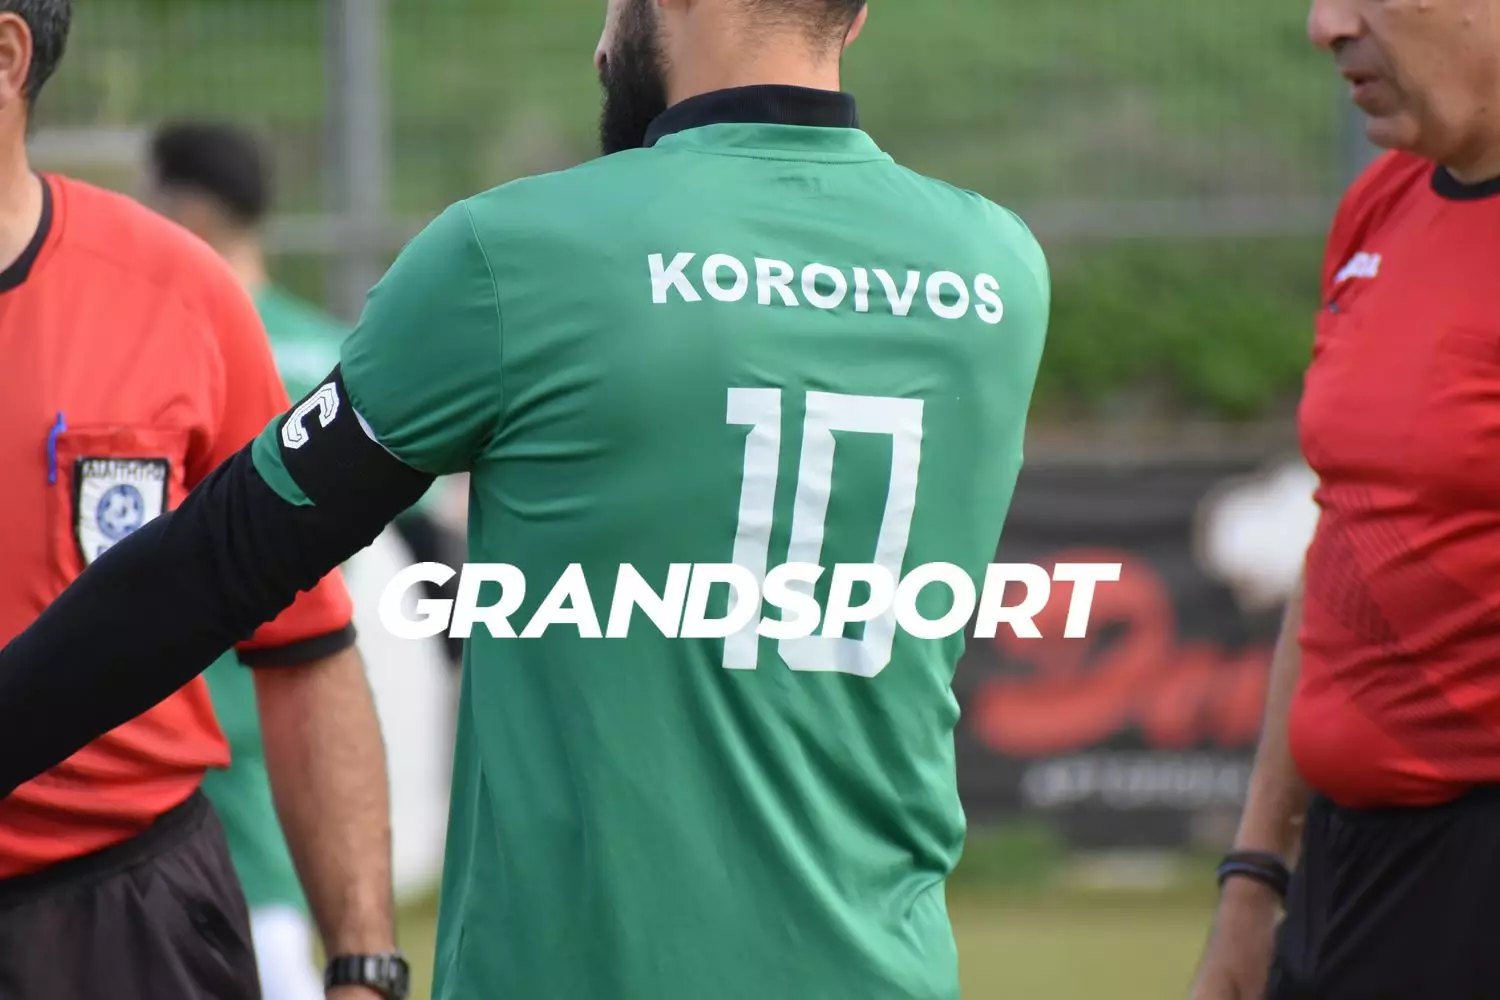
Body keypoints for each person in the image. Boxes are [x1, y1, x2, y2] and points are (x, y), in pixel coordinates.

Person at [0, 1, 1050, 998]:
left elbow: (224, 557)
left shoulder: (520, 253)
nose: (601, 46)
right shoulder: (998, 269)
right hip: (884, 969)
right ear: (854, 15)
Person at [0, 4, 402, 1000]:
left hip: (123, 914)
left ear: (5, 56)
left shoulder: (177, 293)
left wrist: (363, 964)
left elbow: (305, 647)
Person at [1191, 1, 1500, 998]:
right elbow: (1345, 537)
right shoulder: (1382, 201)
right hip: (1344, 875)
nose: (1324, 25)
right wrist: (1255, 878)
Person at [140, 122, 425, 1000]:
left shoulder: (174, 339)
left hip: (199, 682)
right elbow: (423, 516)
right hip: (321, 666)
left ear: (189, 208)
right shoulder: (339, 345)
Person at [145, 121, 469, 672]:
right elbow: (425, 530)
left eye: (149, 201)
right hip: (308, 675)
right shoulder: (339, 350)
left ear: (191, 213)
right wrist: (464, 666)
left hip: (172, 677)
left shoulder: (157, 350)